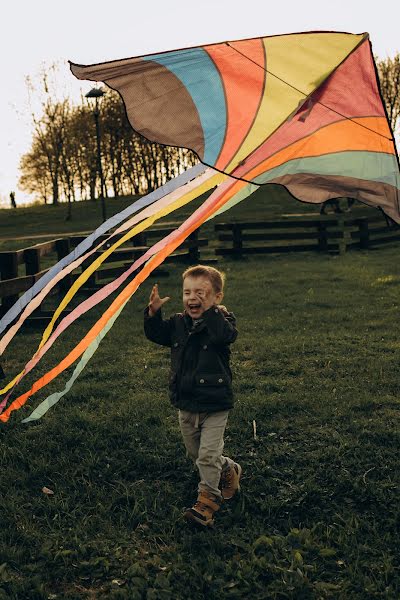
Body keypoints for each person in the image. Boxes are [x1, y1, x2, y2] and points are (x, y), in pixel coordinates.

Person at [144, 265, 241, 527]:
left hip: (215, 403)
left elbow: (225, 335)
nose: (192, 298)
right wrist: (153, 313)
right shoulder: (178, 323)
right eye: (187, 292)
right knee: (196, 454)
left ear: (217, 297)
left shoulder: (222, 321)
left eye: (201, 292)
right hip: (186, 402)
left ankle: (207, 501)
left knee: (207, 455)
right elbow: (157, 334)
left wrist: (211, 313)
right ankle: (228, 469)